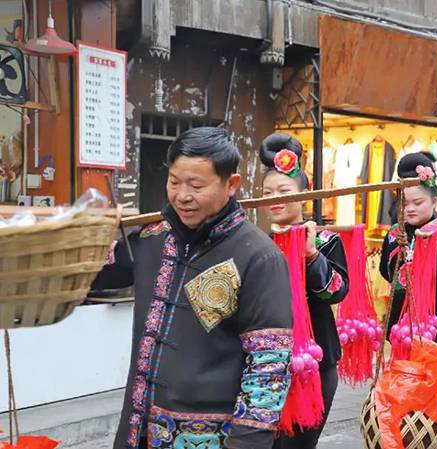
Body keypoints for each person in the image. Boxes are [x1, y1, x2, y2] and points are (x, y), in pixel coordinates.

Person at [92, 127, 294, 449]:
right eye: (174, 182)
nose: (182, 196)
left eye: (196, 185)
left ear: (231, 184)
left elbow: (268, 367)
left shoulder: (259, 257)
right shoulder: (151, 238)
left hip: (210, 439)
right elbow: (91, 276)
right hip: (138, 432)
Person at [259, 134, 350, 449]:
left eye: (284, 191)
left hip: (315, 365)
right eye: (267, 193)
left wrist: (311, 256)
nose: (275, 198)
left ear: (304, 196)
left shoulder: (325, 240)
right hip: (264, 368)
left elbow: (336, 291)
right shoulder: (256, 244)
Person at [379, 152, 437, 332]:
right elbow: (385, 271)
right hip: (402, 322)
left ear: (434, 201)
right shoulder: (395, 232)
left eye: (417, 203)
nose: (410, 209)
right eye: (404, 203)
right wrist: (399, 253)